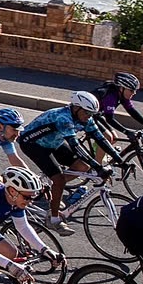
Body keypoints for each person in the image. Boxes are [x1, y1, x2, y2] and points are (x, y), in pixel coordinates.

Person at [17, 91, 121, 233]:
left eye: (91, 114)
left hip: (53, 142)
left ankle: (54, 189)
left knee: (83, 166)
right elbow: (76, 146)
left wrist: (120, 160)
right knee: (59, 179)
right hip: (32, 143)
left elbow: (100, 139)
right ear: (76, 108)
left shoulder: (85, 118)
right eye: (86, 113)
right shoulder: (63, 118)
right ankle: (53, 219)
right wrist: (98, 167)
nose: (88, 116)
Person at [95, 71, 143, 138]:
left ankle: (97, 148)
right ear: (122, 88)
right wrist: (126, 132)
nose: (134, 93)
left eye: (135, 90)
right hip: (88, 116)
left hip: (98, 115)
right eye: (131, 90)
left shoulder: (122, 96)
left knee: (114, 138)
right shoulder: (110, 97)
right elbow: (109, 119)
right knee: (109, 137)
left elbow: (132, 111)